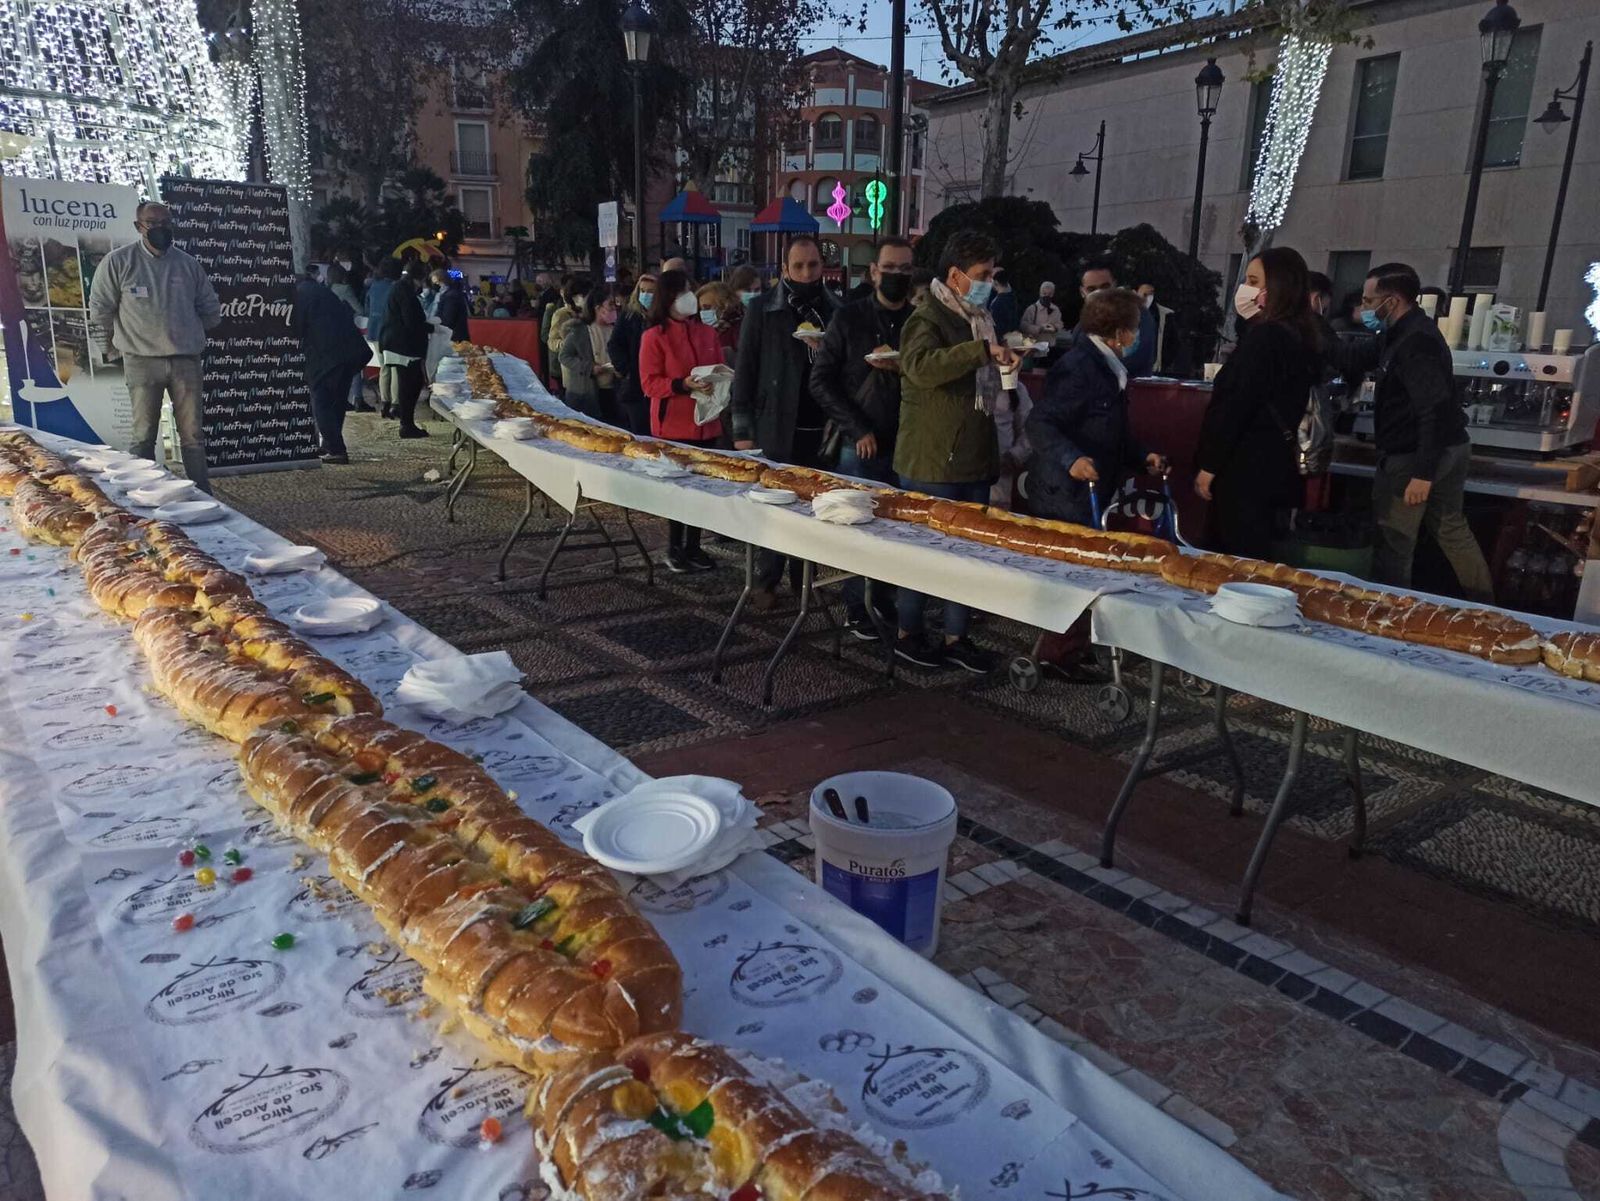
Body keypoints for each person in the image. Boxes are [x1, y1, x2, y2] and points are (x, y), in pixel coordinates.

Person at [892, 229, 1017, 672]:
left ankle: (955, 636)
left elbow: (981, 368)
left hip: (974, 455)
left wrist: (1003, 358)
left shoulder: (981, 317)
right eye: (982, 274)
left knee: (968, 554)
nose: (988, 282)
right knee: (922, 551)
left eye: (992, 274)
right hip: (933, 458)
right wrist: (980, 351)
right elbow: (921, 368)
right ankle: (909, 632)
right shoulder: (928, 317)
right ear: (955, 275)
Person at [1027, 288, 1166, 674]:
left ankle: (1073, 645)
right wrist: (1071, 458)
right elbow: (1039, 423)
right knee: (1075, 574)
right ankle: (1057, 653)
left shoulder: (1107, 367)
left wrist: (1142, 457)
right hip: (1066, 491)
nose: (1138, 337)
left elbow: (1110, 431)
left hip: (1090, 484)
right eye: (1135, 328)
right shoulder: (1080, 367)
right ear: (1118, 331)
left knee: (1087, 571)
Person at [1341, 263, 1493, 600]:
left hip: (1415, 454)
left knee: (1395, 539)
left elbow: (1432, 408)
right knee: (1452, 530)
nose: (1364, 309)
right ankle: (1489, 607)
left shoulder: (1414, 341)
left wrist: (1423, 473)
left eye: (1369, 301)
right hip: (1449, 446)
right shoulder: (1402, 333)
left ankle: (1392, 610)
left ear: (1392, 301)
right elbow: (1354, 356)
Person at [810, 236, 916, 635]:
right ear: (873, 272)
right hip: (861, 441)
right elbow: (821, 381)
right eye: (890, 269)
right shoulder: (849, 318)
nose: (897, 276)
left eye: (905, 270)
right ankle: (857, 603)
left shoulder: (917, 321)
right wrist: (857, 428)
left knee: (897, 527)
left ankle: (884, 598)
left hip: (907, 439)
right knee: (860, 525)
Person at [731, 234, 842, 602]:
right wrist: (743, 430)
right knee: (775, 505)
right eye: (799, 266)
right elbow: (745, 370)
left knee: (812, 507)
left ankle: (803, 577)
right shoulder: (763, 308)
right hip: (775, 421)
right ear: (785, 269)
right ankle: (766, 577)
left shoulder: (835, 309)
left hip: (820, 425)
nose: (807, 272)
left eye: (813, 265)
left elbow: (846, 370)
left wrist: (825, 350)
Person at [1194, 247, 1324, 558]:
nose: (1246, 289)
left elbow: (1236, 406)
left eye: (1254, 280)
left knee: (1235, 561)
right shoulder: (1302, 335)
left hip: (1246, 471)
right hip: (1278, 468)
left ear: (1276, 287)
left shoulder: (1266, 338)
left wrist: (1209, 465)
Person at [87, 200, 221, 493]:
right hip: (140, 360)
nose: (161, 229)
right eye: (153, 223)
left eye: (166, 223)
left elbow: (211, 310)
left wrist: (186, 328)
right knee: (144, 434)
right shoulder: (118, 262)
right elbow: (99, 310)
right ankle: (141, 492)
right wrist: (120, 341)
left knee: (193, 435)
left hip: (186, 360)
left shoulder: (188, 264)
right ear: (139, 227)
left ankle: (202, 492)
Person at [639, 269, 724, 572]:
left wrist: (719, 381)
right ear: (669, 298)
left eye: (690, 289)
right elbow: (649, 384)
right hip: (673, 424)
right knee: (677, 489)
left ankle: (694, 546)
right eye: (681, 291)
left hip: (707, 422)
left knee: (701, 488)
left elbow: (719, 368)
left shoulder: (707, 332)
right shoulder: (654, 337)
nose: (689, 297)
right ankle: (674, 547)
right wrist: (681, 385)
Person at [292, 269, 372, 464]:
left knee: (321, 401)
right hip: (350, 352)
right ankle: (330, 443)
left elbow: (297, 327)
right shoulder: (321, 291)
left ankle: (336, 448)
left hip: (328, 357)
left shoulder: (300, 295)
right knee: (336, 401)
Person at [1068, 260, 1157, 379]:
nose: (1099, 293)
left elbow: (1137, 358)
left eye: (1105, 286)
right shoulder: (1082, 326)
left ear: (1114, 285)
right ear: (1082, 292)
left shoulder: (1137, 314)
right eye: (1091, 289)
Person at [379, 261, 432, 438]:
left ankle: (407, 422)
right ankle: (406, 424)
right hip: (403, 346)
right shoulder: (404, 291)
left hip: (397, 343)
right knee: (409, 384)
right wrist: (429, 327)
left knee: (411, 383)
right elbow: (411, 320)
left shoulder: (399, 288)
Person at [559, 283, 619, 421]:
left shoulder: (616, 329)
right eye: (610, 304)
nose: (614, 308)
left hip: (613, 390)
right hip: (587, 392)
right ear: (598, 308)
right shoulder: (579, 330)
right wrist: (589, 367)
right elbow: (565, 356)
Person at [609, 272, 656, 434]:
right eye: (642, 290)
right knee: (639, 430)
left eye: (651, 291)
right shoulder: (629, 316)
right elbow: (614, 344)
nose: (646, 295)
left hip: (655, 384)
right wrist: (626, 369)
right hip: (633, 385)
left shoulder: (661, 318)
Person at [365, 258, 399, 417]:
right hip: (391, 332)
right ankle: (395, 404)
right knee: (395, 368)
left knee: (384, 368)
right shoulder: (395, 288)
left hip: (374, 332)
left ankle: (385, 402)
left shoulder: (373, 287)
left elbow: (366, 308)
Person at [1134, 282, 1184, 377]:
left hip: (1155, 369)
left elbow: (1174, 342)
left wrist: (1164, 362)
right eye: (1145, 294)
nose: (1148, 297)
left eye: (1151, 294)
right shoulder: (1128, 312)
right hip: (1132, 367)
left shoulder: (1164, 314)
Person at [695, 280, 741, 364]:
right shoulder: (698, 332)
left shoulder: (739, 330)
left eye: (707, 307)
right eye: (700, 309)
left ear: (724, 306)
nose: (703, 312)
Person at [433, 270, 471, 343]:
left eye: (437, 283)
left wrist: (434, 326)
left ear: (443, 281)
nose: (436, 286)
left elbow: (448, 319)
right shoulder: (452, 294)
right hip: (455, 336)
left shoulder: (450, 296)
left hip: (453, 338)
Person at [987, 267, 1020, 338]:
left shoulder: (998, 302)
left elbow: (996, 324)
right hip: (1012, 336)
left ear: (996, 282)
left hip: (1001, 337)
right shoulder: (1012, 297)